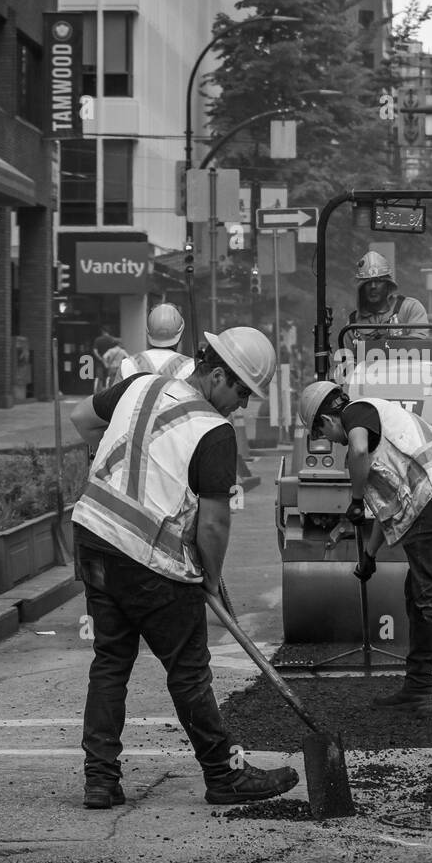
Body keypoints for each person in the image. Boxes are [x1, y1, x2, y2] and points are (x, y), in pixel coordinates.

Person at [69, 326, 299, 809]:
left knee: (110, 662)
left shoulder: (140, 385)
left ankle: (99, 779)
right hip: (149, 561)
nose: (242, 406)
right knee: (190, 671)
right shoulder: (215, 433)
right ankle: (223, 774)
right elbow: (213, 525)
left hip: (94, 539)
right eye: (241, 392)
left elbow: (81, 419)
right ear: (218, 375)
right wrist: (210, 580)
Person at [299, 380, 432, 719]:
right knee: (418, 589)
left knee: (429, 591)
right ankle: (418, 687)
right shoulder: (373, 431)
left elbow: (357, 451)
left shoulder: (358, 411)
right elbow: (387, 513)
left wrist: (354, 502)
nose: (332, 441)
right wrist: (368, 556)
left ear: (326, 420)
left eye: (325, 434)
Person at [348, 251, 429, 329]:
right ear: (361, 287)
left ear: (388, 284)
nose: (373, 286)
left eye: (378, 281)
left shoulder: (409, 309)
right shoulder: (353, 323)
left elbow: (420, 341)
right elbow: (344, 343)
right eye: (368, 282)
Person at [119, 303, 193, 381]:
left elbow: (115, 392)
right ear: (180, 333)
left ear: (148, 331)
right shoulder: (192, 368)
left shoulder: (127, 365)